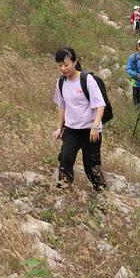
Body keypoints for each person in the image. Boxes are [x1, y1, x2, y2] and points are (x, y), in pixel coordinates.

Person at [53, 47, 107, 191]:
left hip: (90, 130)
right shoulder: (61, 83)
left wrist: (95, 127)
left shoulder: (87, 80)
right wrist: (59, 127)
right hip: (71, 130)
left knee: (91, 166)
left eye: (66, 64)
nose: (63, 68)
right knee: (66, 159)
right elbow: (62, 106)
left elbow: (100, 105)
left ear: (74, 62)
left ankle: (102, 192)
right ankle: (63, 190)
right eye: (60, 65)